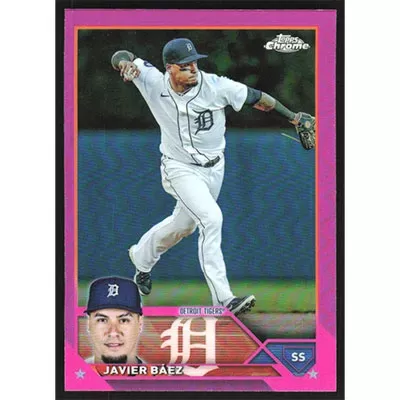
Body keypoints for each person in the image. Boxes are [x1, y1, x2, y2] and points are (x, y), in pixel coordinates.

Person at [111, 38, 315, 316]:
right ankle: (224, 299)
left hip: (215, 168)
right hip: (178, 168)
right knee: (211, 219)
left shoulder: (216, 86)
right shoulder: (152, 81)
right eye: (185, 65)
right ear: (170, 68)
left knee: (183, 225)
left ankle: (141, 257)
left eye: (195, 62)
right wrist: (125, 63)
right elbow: (121, 54)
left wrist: (293, 118)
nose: (193, 68)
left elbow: (257, 98)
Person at [84, 276, 144, 364]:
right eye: (102, 320)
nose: (113, 332)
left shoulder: (157, 373)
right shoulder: (70, 372)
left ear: (140, 323)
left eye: (124, 320)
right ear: (89, 323)